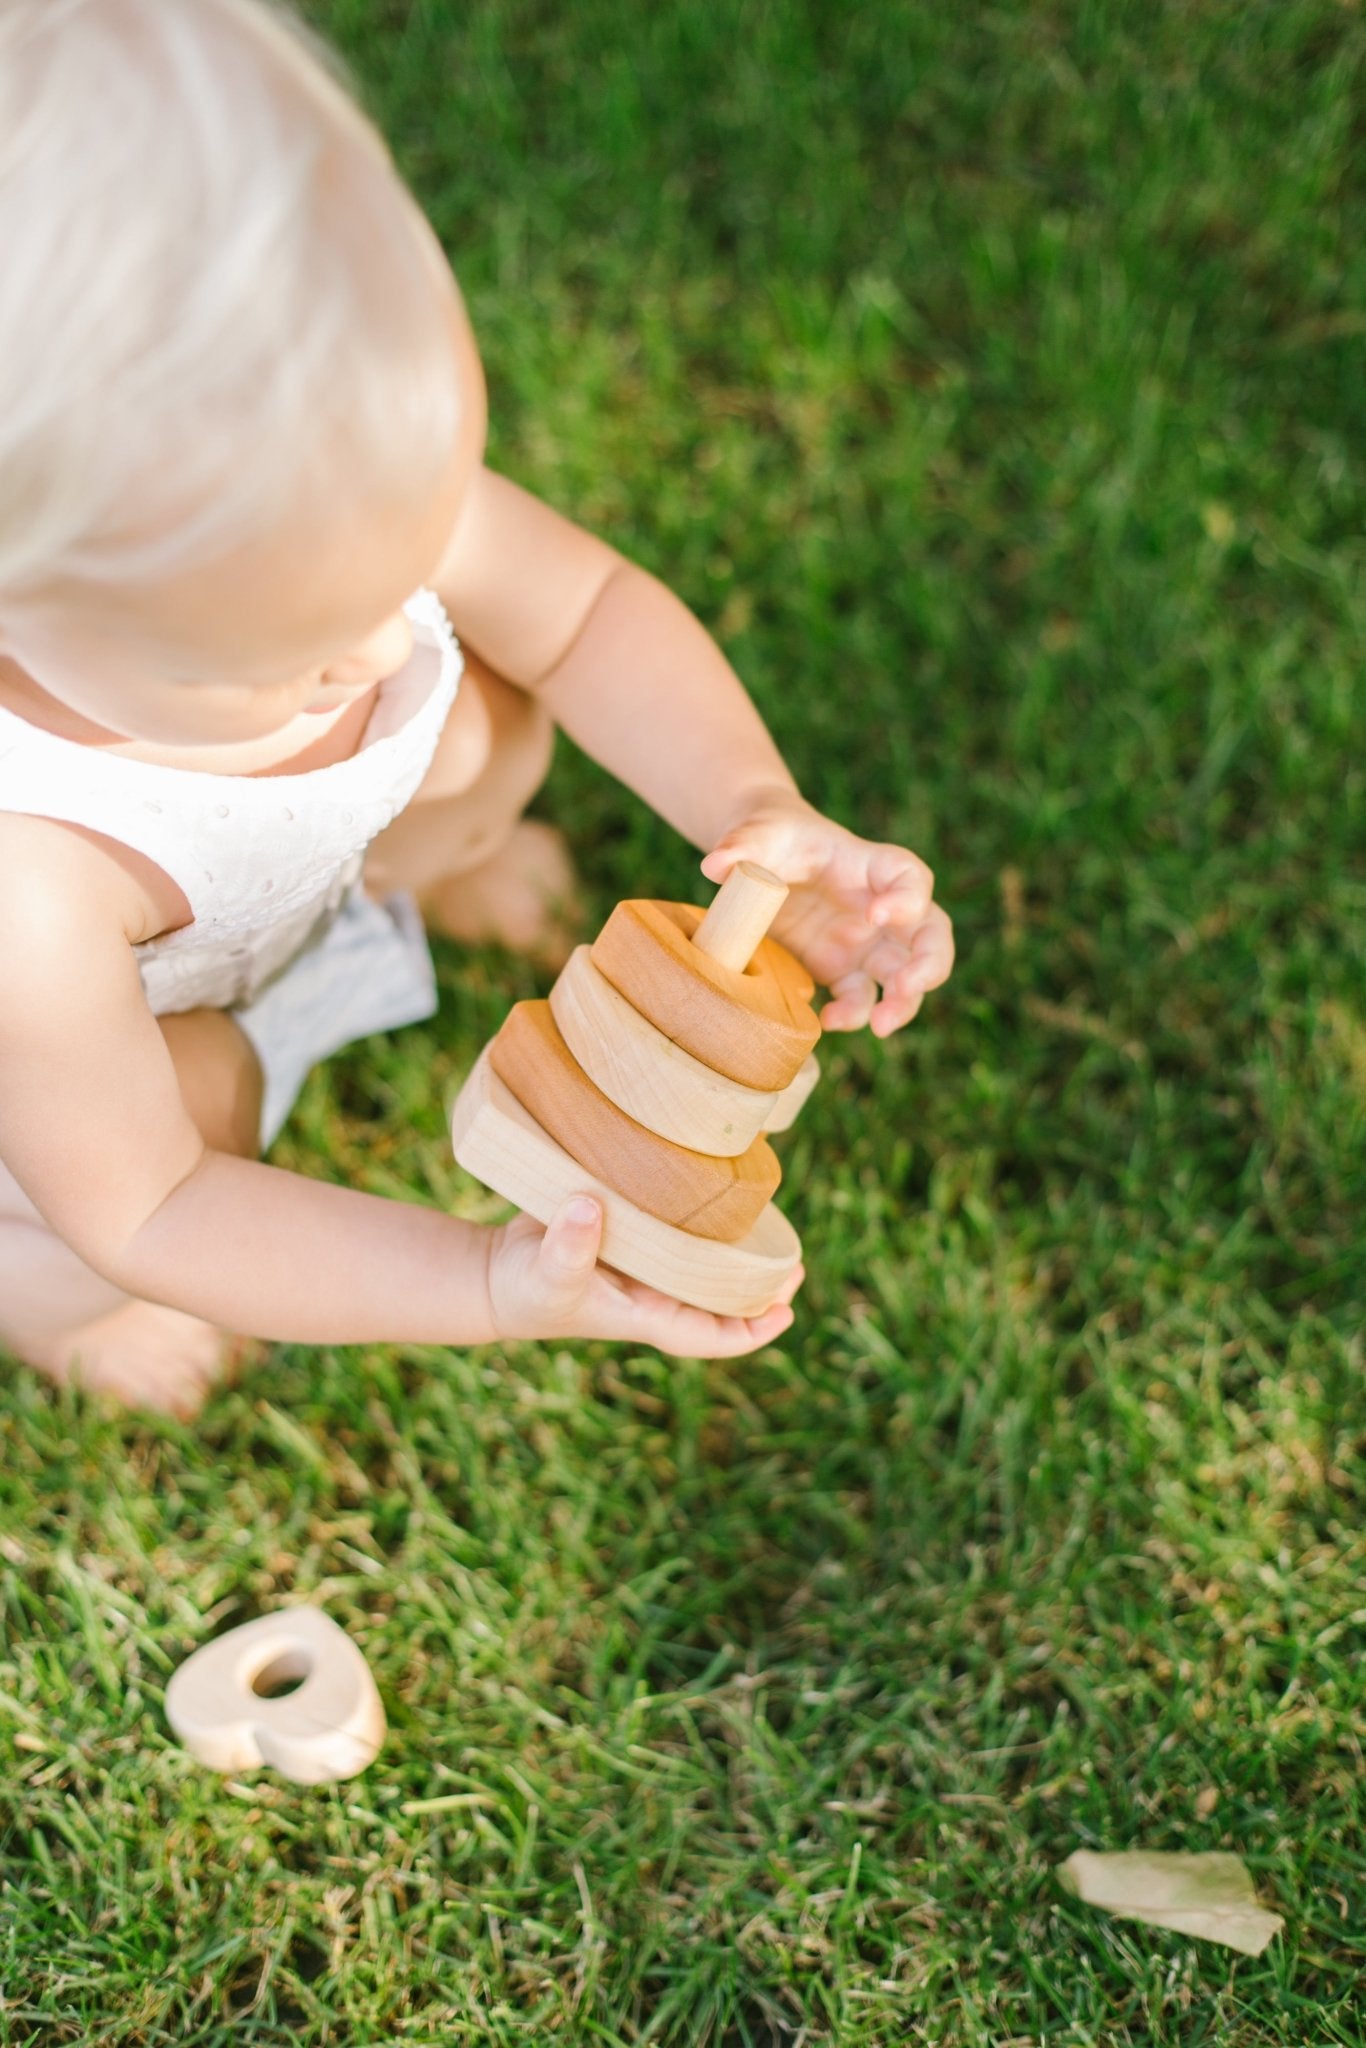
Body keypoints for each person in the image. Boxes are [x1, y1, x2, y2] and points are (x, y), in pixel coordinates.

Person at [0, 0, 954, 1418]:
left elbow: (583, 617)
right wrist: (486, 1283)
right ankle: (48, 1312)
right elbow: (153, 1201)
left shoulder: (305, 465)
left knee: (478, 726)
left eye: (411, 553)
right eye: (293, 648)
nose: (388, 639)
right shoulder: (31, 885)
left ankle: (415, 870)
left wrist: (751, 809)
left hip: (248, 889)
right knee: (168, 1138)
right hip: (81, 1070)